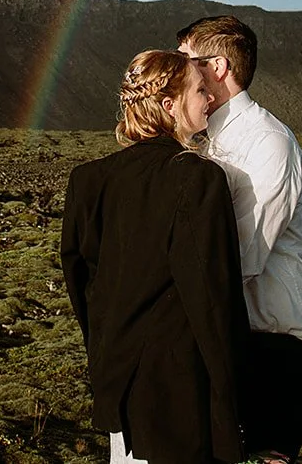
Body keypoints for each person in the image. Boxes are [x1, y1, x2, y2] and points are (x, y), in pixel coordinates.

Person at [61, 49, 251, 464]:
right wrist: (232, 409)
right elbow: (213, 304)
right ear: (170, 105)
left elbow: (82, 283)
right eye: (200, 91)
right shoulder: (197, 180)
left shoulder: (89, 182)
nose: (210, 100)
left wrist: (104, 352)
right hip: (179, 397)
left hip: (118, 388)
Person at [177, 16, 302, 462]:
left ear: (217, 67)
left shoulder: (268, 144)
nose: (176, 71)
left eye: (185, 61)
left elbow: (241, 254)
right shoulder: (205, 140)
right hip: (231, 338)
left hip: (270, 348)